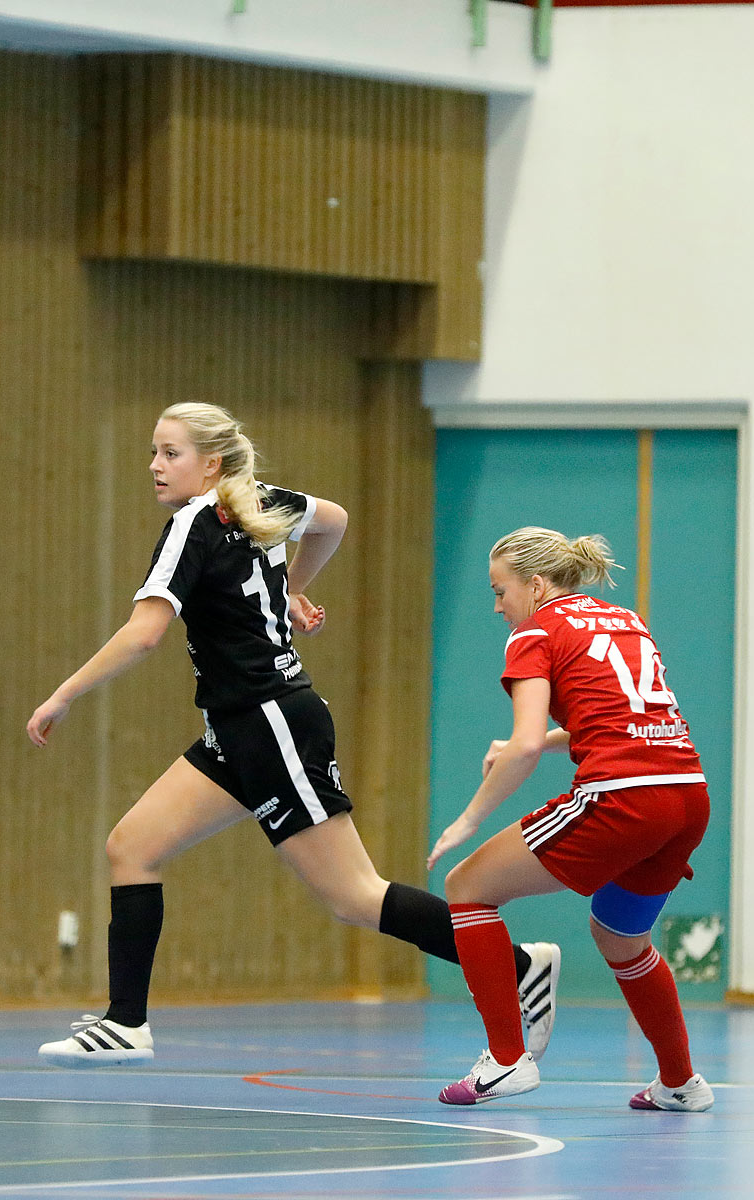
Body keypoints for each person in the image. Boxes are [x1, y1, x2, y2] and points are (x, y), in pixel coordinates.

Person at [27, 402, 559, 1066]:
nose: (155, 466)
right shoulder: (256, 502)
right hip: (239, 727)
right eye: (155, 452)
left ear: (210, 463)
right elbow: (332, 520)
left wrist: (63, 693)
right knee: (131, 847)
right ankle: (126, 1023)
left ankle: (516, 968)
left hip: (272, 720)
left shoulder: (192, 523)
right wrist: (286, 591)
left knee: (354, 896)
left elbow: (145, 633)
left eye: (171, 453)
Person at [426, 527, 714, 1111]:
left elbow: (526, 744)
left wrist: (470, 819)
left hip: (622, 797)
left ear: (534, 585)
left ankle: (507, 1060)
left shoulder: (535, 631)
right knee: (621, 937)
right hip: (684, 794)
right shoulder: (622, 619)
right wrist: (522, 744)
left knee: (467, 888)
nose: (498, 606)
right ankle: (681, 1083)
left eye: (500, 591)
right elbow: (616, 716)